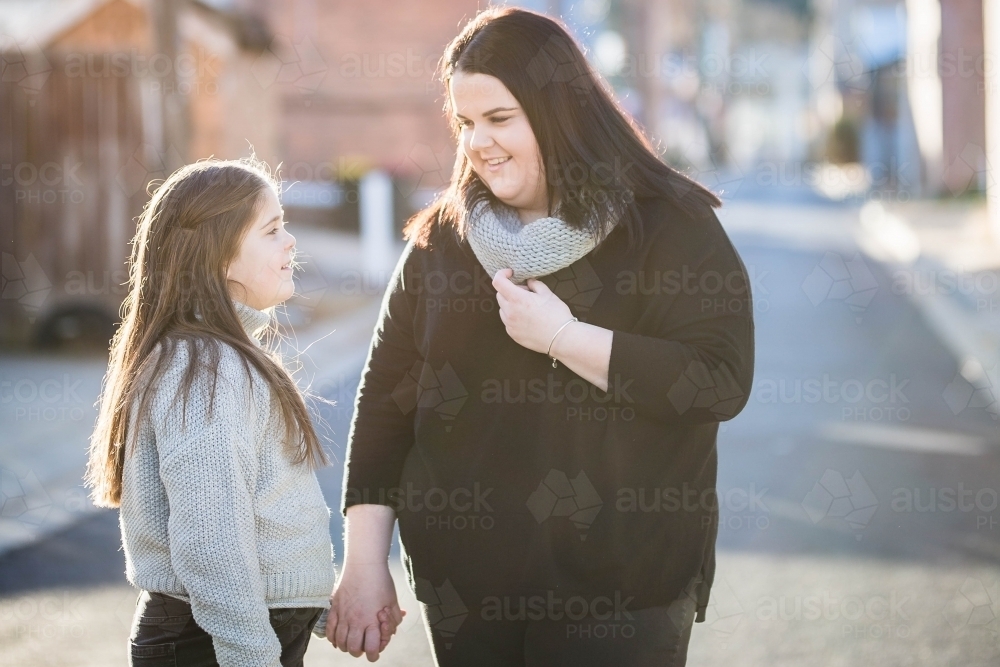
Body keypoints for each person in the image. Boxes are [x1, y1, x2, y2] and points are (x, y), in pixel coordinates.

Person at [330, 7, 755, 666]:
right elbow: (386, 403)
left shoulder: (669, 225)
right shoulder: (444, 239)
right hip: (467, 602)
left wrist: (565, 337)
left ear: (562, 112)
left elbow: (720, 378)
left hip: (624, 599)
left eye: (500, 119)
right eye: (466, 122)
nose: (479, 143)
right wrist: (362, 564)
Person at [84, 158, 399, 666]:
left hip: (228, 640)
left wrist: (318, 609)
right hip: (206, 646)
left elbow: (261, 520)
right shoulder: (205, 367)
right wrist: (252, 657)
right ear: (220, 257)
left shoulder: (223, 357)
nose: (290, 242)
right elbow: (211, 544)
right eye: (272, 230)